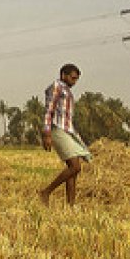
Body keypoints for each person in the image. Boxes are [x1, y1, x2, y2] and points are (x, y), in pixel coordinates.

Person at [38, 63, 92, 206]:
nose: (74, 82)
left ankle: (70, 205)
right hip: (57, 129)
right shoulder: (56, 87)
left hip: (67, 130)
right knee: (75, 166)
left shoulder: (67, 90)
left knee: (73, 169)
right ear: (63, 75)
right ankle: (46, 192)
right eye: (72, 78)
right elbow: (49, 110)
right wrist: (47, 133)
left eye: (76, 79)